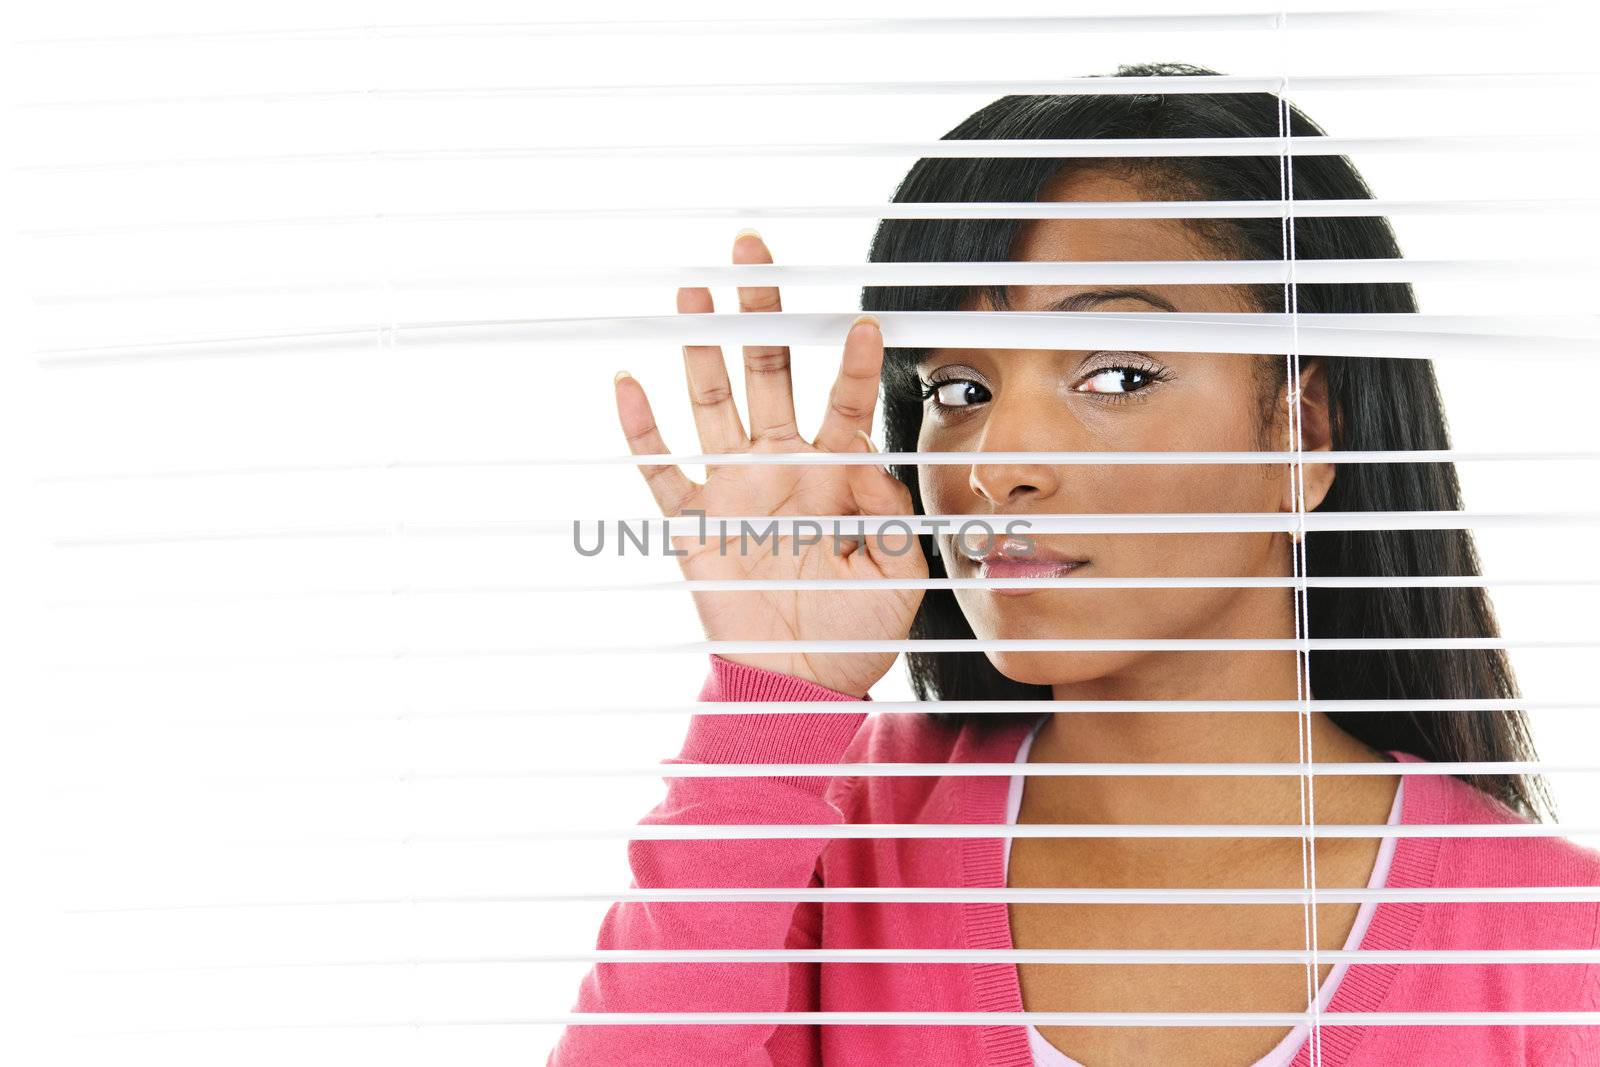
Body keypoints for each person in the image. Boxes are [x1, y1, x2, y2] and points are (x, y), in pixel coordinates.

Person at [548, 63, 1600, 1066]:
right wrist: (765, 709)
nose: (998, 463)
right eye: (959, 389)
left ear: (1302, 428)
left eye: (1114, 372)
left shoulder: (1554, 950)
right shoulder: (821, 835)